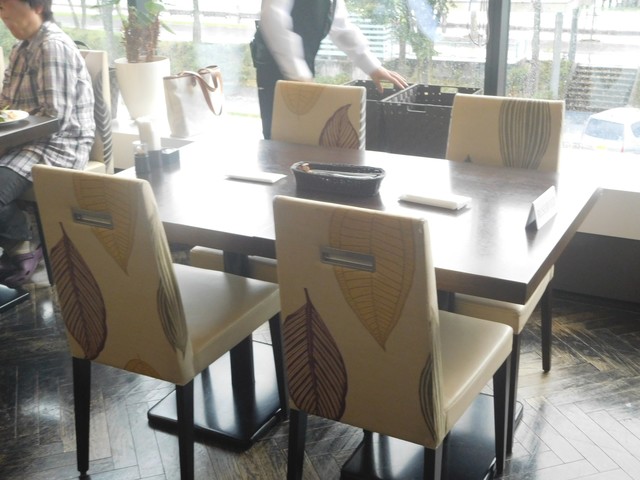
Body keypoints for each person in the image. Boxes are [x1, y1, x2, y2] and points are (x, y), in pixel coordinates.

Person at [0, 0, 95, 288]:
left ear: (37, 6)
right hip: (23, 142)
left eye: (5, 5)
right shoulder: (20, 48)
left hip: (58, 146)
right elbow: (6, 105)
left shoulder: (52, 46)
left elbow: (54, 119)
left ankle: (23, 243)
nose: (1, 13)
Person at [252, 0, 408, 139]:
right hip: (275, 67)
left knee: (301, 136)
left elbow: (341, 27)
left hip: (298, 71)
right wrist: (298, 75)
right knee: (280, 137)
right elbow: (273, 17)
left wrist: (373, 66)